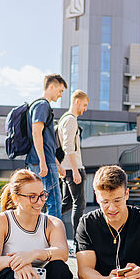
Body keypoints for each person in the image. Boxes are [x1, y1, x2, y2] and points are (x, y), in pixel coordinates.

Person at [26, 74, 67, 219]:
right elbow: (36, 132)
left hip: (45, 160)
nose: (61, 94)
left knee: (40, 201)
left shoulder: (40, 106)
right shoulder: (42, 105)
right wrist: (44, 162)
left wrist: (58, 165)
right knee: (54, 202)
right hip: (42, 161)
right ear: (51, 86)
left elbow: (46, 142)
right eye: (60, 90)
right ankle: (55, 240)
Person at [58, 89, 88, 235]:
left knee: (67, 203)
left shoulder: (64, 118)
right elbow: (68, 147)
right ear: (77, 101)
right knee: (79, 204)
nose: (85, 108)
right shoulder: (70, 120)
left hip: (67, 168)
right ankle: (78, 240)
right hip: (72, 168)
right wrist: (76, 170)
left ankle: (45, 219)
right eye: (84, 104)